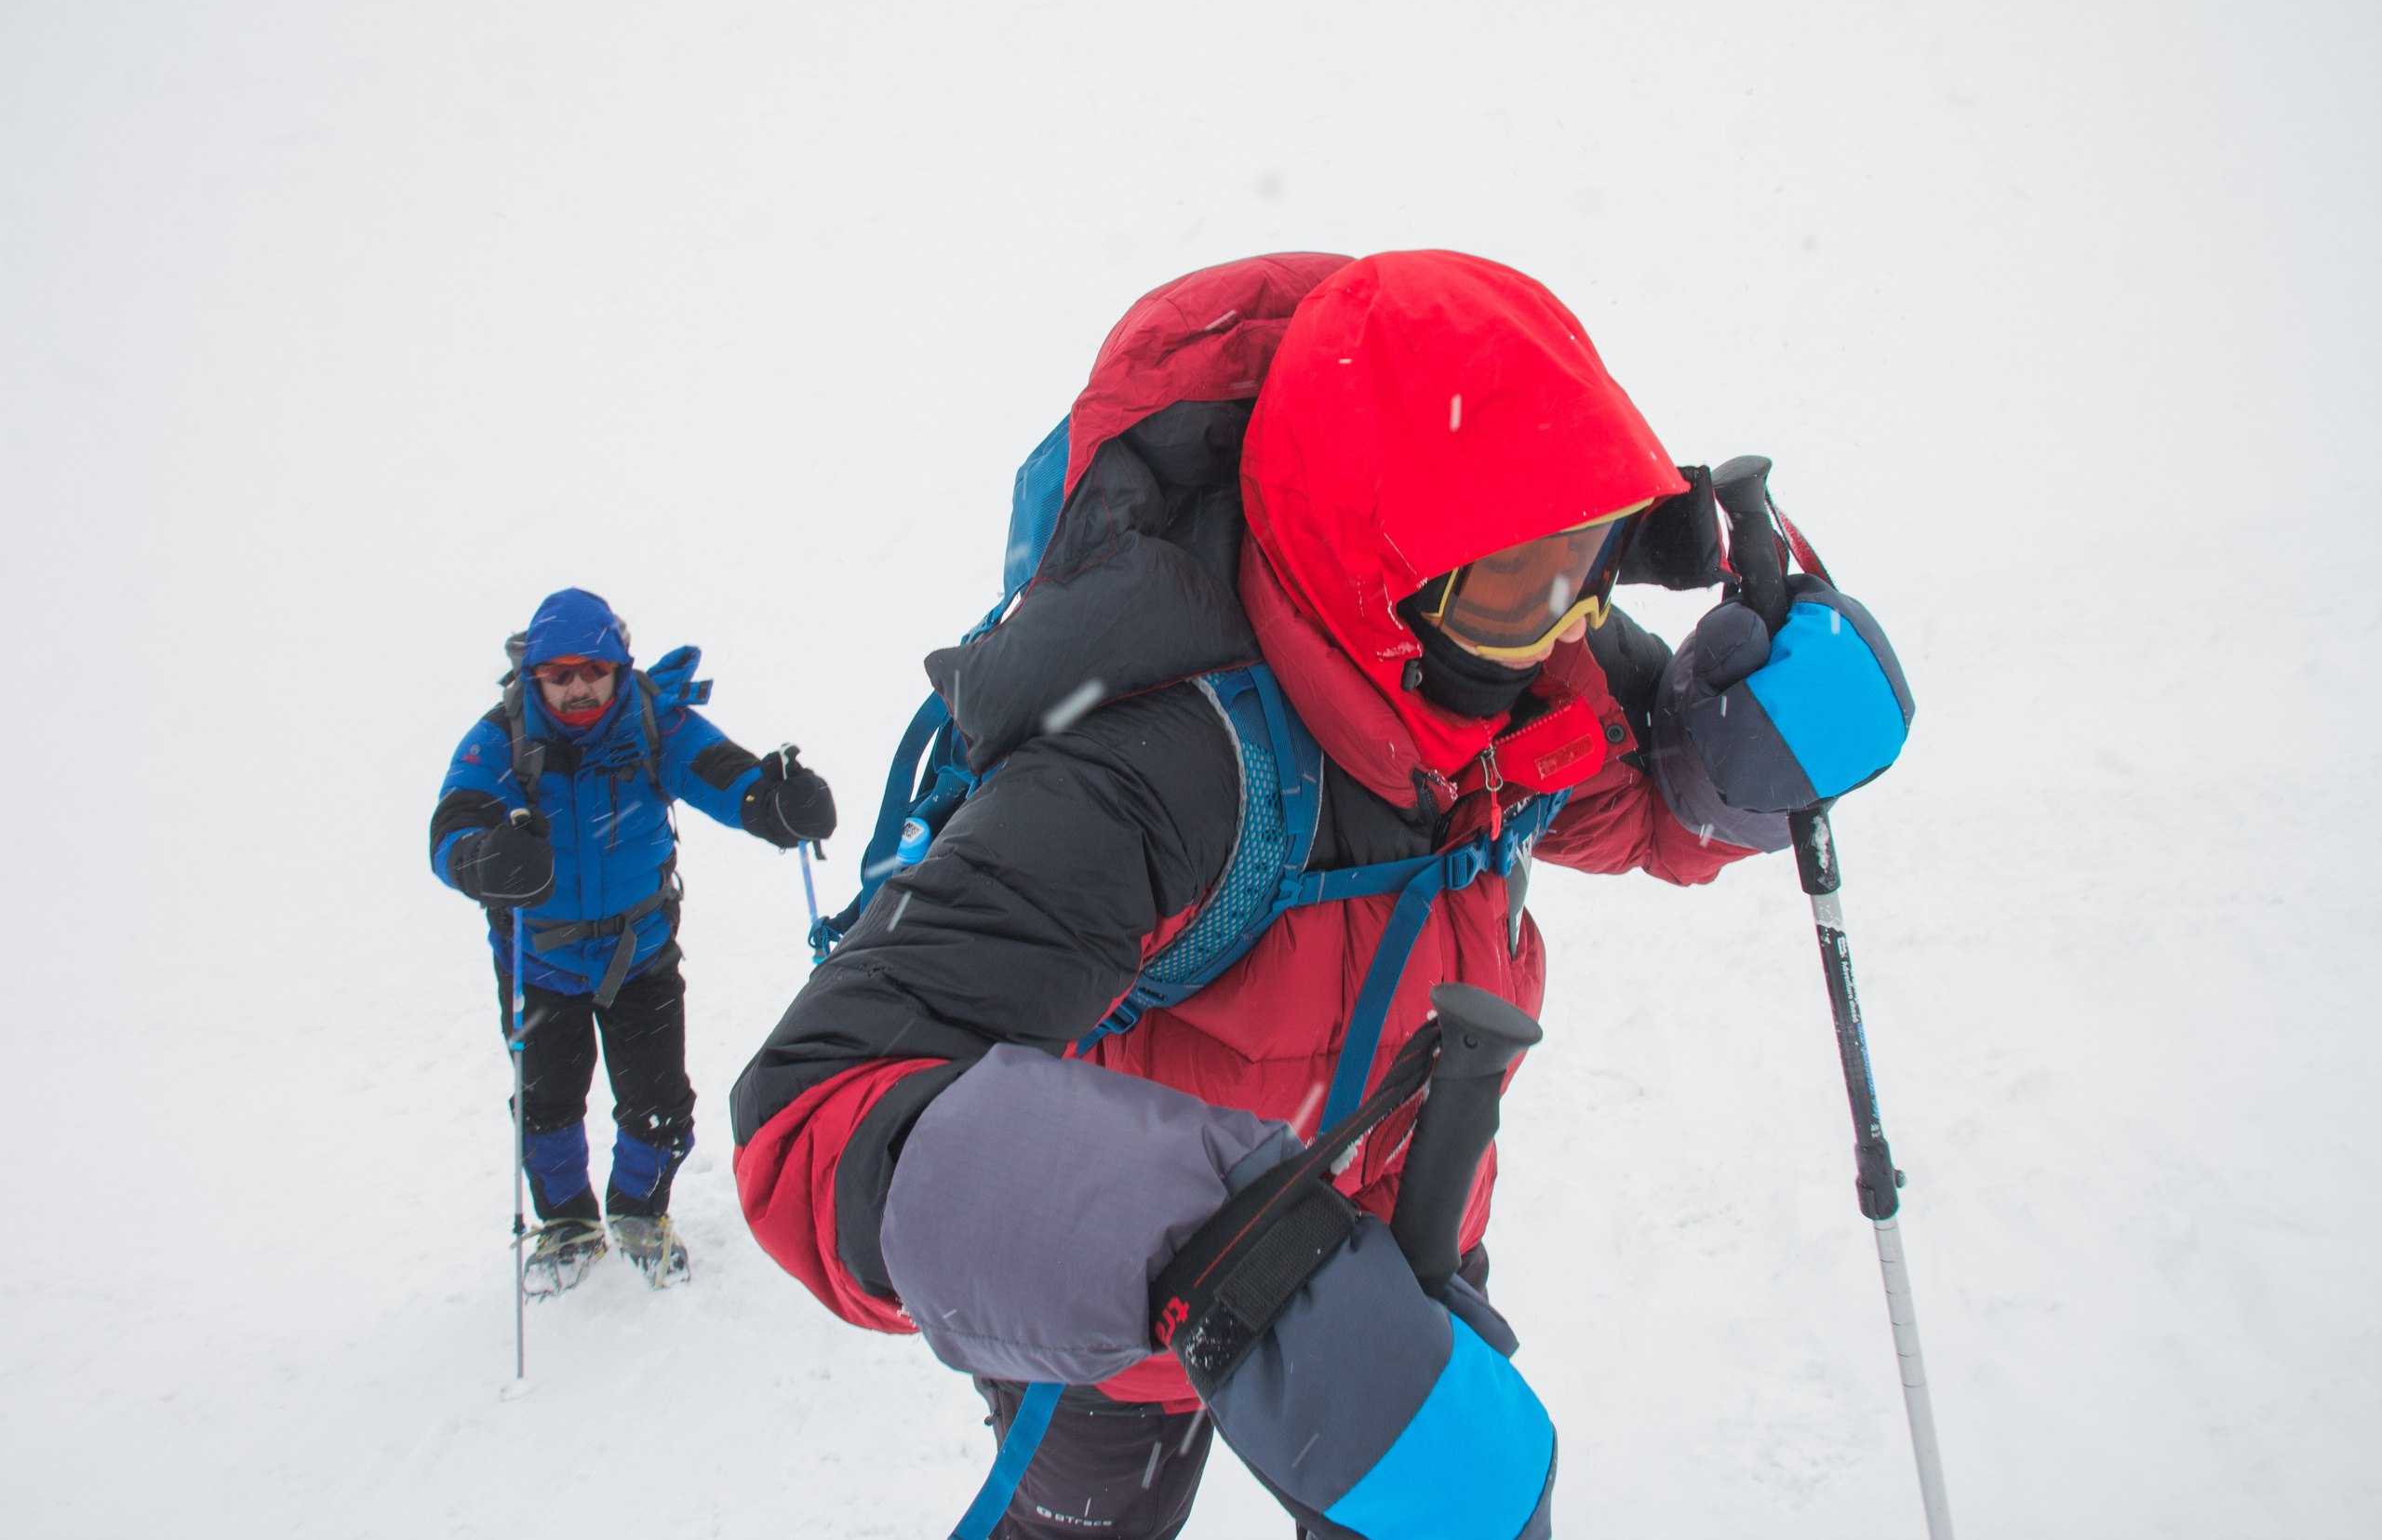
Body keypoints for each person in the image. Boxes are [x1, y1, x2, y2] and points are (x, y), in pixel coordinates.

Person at [730, 253, 1910, 1538]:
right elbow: (813, 1109)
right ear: (1381, 573)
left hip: (1413, 1254)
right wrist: (1232, 1266)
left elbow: (1630, 792)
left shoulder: (1514, 644)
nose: (1572, 628)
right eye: (1523, 582)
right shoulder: (1165, 765)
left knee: (1440, 1485)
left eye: (1591, 558)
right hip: (1137, 1328)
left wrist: (1732, 757)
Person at [433, 588, 836, 1292]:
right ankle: (566, 1226)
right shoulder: (500, 738)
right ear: (534, 677)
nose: (579, 685)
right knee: (547, 1103)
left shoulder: (657, 722)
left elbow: (728, 778)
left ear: (620, 666)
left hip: (639, 957)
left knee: (658, 1100)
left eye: (594, 669)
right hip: (539, 962)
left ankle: (640, 1214)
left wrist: (778, 806)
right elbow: (452, 828)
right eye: (560, 674)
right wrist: (483, 858)